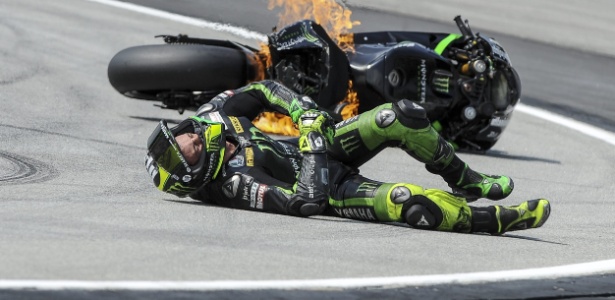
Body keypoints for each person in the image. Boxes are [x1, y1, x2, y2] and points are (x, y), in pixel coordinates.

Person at [145, 80, 550, 235]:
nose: (190, 136)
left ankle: (466, 178)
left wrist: (303, 112)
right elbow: (305, 202)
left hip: (326, 141)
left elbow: (264, 88)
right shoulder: (233, 185)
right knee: (411, 204)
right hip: (333, 187)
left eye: (182, 135)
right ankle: (496, 221)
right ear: (199, 171)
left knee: (401, 115)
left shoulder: (213, 116)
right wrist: (312, 146)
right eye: (190, 147)